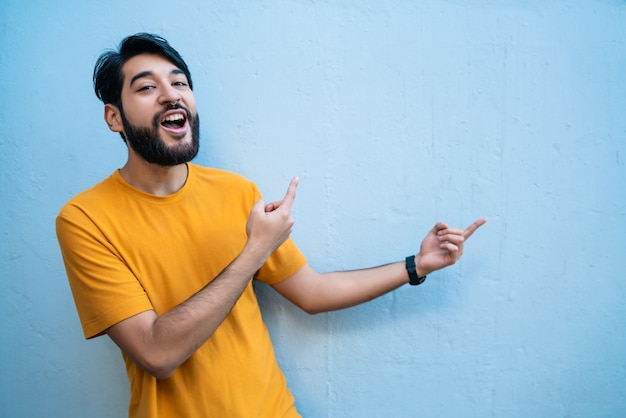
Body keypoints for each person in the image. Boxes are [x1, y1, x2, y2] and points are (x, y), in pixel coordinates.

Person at [56, 33, 486, 418]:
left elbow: (312, 293)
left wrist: (418, 265)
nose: (172, 96)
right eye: (147, 87)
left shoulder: (236, 193)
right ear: (115, 118)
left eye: (180, 83)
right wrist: (254, 252)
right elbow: (156, 351)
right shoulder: (85, 219)